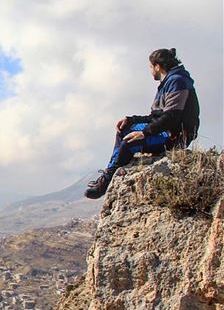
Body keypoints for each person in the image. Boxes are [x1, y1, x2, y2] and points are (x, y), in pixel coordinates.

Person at [85, 48, 200, 199]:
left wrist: (144, 133)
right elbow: (156, 116)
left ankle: (106, 182)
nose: (150, 71)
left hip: (175, 136)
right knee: (124, 130)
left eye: (150, 67)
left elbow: (172, 117)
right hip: (165, 129)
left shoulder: (177, 82)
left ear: (157, 66)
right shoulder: (168, 82)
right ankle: (107, 175)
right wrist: (132, 120)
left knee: (129, 143)